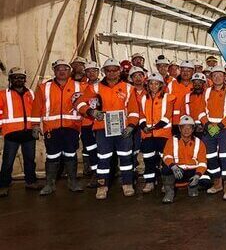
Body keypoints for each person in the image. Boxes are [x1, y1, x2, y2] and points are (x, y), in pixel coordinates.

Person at [76, 59, 135, 200]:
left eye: (115, 70)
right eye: (108, 70)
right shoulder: (95, 88)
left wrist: (131, 125)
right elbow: (79, 103)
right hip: (102, 129)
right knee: (103, 158)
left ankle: (127, 184)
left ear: (119, 71)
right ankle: (102, 186)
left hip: (123, 129)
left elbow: (134, 111)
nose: (112, 73)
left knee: (126, 157)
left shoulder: (128, 88)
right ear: (104, 72)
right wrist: (91, 112)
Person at [32, 60, 83, 195]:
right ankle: (50, 184)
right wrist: (35, 125)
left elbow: (86, 106)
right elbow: (37, 108)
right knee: (52, 156)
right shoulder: (44, 87)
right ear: (54, 71)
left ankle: (73, 182)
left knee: (71, 155)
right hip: (52, 129)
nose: (61, 71)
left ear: (69, 71)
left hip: (71, 128)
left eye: (65, 69)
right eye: (58, 69)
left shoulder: (80, 86)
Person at [128, 72, 178, 194]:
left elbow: (167, 116)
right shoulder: (143, 98)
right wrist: (143, 126)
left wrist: (155, 127)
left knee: (165, 159)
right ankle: (150, 181)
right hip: (147, 135)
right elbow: (141, 115)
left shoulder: (168, 97)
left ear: (161, 85)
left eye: (156, 84)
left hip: (163, 134)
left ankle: (166, 183)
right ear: (148, 85)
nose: (153, 86)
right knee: (148, 159)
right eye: (151, 83)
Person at [198, 65, 226, 200]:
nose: (217, 77)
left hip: (224, 129)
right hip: (209, 129)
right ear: (211, 77)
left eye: (220, 75)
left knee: (225, 155)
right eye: (214, 75)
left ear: (224, 76)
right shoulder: (207, 92)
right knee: (210, 157)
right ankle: (217, 183)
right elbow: (201, 111)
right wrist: (208, 124)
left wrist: (219, 126)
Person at [0, 67, 41, 196]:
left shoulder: (31, 94)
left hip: (29, 133)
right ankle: (3, 185)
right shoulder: (3, 94)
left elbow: (36, 111)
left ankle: (30, 181)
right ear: (10, 79)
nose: (19, 80)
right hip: (12, 133)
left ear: (25, 80)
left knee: (30, 160)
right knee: (8, 162)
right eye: (15, 77)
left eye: (21, 78)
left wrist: (36, 126)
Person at [161, 115, 210, 203]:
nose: (186, 130)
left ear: (193, 129)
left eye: (189, 127)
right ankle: (169, 193)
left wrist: (197, 175)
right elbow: (166, 156)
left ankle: (192, 186)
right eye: (183, 127)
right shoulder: (172, 140)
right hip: (177, 171)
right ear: (179, 128)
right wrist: (173, 167)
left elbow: (203, 162)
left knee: (206, 181)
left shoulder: (199, 142)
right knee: (165, 168)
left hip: (192, 172)